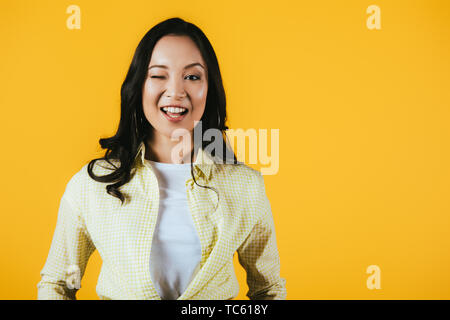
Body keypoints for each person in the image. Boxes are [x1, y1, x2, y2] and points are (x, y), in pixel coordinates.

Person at [37, 17, 286, 300]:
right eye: (158, 75)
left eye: (192, 76)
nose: (176, 92)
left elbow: (268, 289)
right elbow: (57, 284)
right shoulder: (90, 185)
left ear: (210, 88)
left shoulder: (245, 186)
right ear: (138, 86)